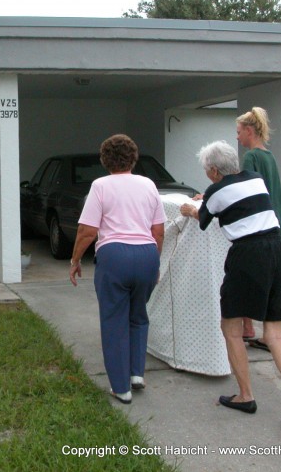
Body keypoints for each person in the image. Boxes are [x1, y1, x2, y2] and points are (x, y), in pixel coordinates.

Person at [180, 140, 281, 428]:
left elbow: (202, 217)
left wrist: (191, 208)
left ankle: (245, 395)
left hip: (249, 255)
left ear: (214, 170)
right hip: (279, 250)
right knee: (275, 334)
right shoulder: (255, 179)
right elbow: (234, 201)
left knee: (231, 326)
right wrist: (208, 198)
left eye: (207, 170)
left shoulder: (215, 191)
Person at [69, 134, 165, 405]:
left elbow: (87, 230)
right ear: (133, 158)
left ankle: (121, 387)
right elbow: (158, 232)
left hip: (114, 256)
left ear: (104, 160)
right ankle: (136, 373)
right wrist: (154, 263)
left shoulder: (100, 185)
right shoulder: (148, 185)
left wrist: (75, 260)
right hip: (146, 254)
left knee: (114, 321)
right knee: (138, 315)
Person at [236, 107, 281, 351]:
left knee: (244, 277)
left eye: (238, 132)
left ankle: (247, 327)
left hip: (260, 230)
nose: (237, 137)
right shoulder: (270, 156)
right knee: (274, 283)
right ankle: (270, 335)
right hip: (279, 225)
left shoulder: (251, 157)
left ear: (248, 131)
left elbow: (247, 192)